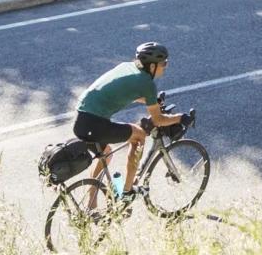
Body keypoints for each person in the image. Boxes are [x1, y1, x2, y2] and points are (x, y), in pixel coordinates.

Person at [73, 40, 185, 208]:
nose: (166, 66)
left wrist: (151, 100)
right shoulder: (147, 83)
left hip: (81, 120)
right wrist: (181, 118)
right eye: (164, 63)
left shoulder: (127, 67)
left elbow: (124, 92)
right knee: (139, 135)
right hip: (95, 124)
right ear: (152, 66)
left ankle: (91, 203)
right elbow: (158, 120)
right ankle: (127, 192)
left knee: (106, 153)